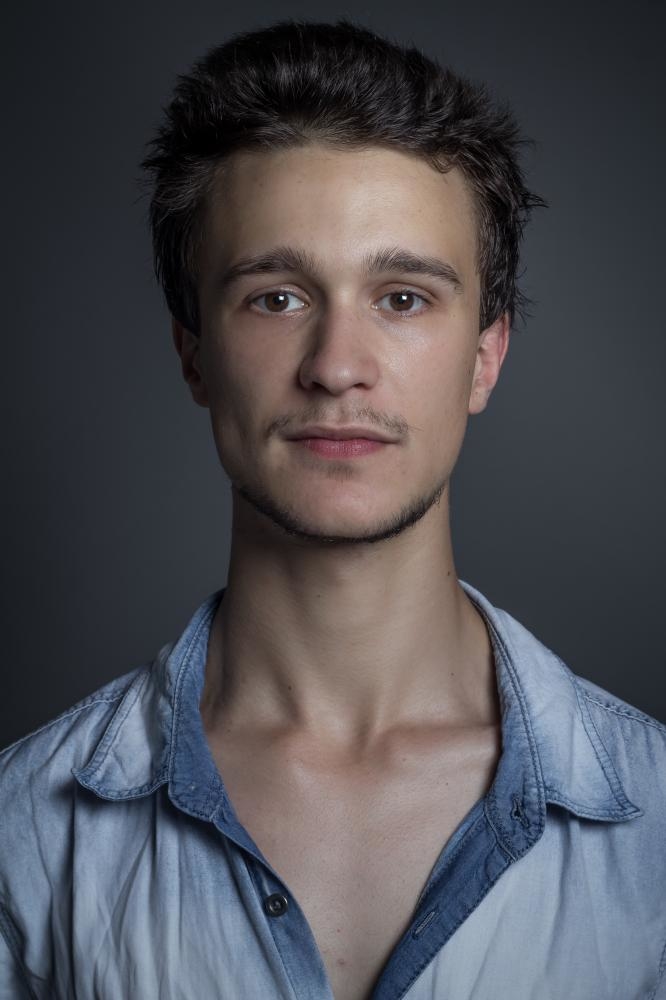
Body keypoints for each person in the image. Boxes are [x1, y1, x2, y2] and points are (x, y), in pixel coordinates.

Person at [1, 18, 664, 1000]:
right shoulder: (22, 836)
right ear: (194, 354)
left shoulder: (655, 825)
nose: (338, 366)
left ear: (486, 357)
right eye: (277, 297)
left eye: (403, 298)